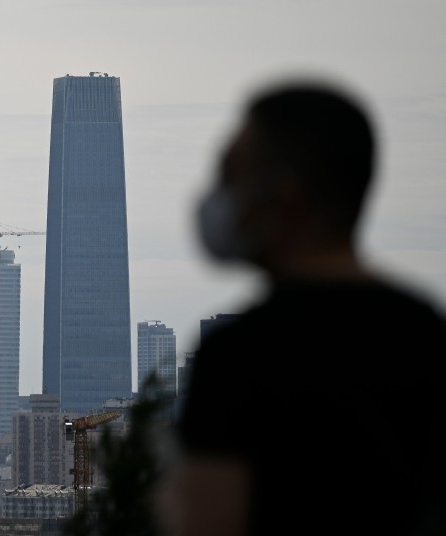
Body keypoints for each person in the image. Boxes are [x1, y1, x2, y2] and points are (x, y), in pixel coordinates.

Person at [158, 77, 446, 536]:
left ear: (284, 198)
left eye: (230, 176)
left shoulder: (239, 356)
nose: (217, 198)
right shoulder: (427, 333)